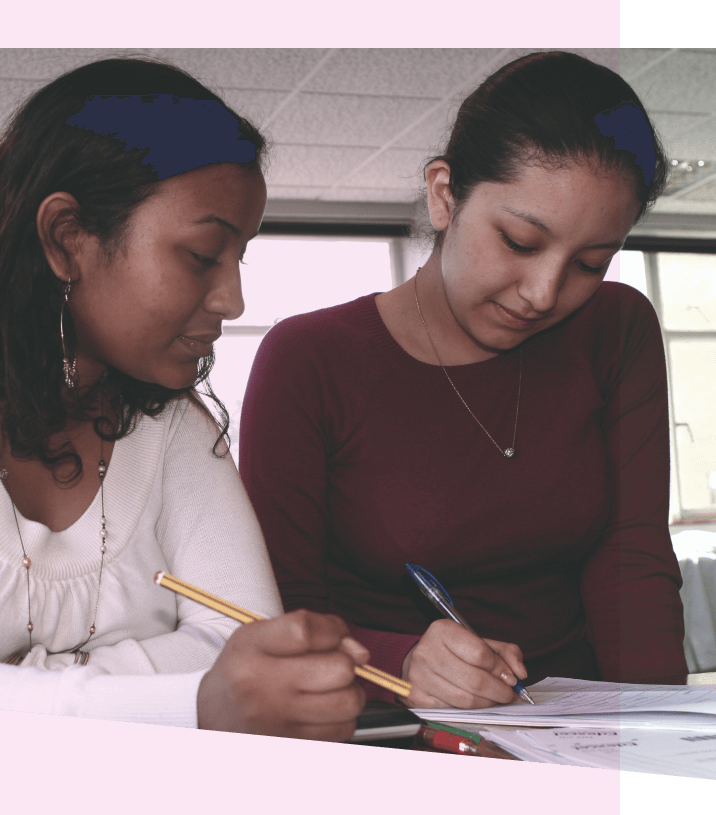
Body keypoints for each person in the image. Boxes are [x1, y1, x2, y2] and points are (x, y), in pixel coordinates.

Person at [0, 57, 369, 742]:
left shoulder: (174, 426)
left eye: (242, 259)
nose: (233, 300)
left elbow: (246, 648)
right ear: (66, 239)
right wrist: (187, 702)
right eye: (204, 255)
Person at [239, 51, 690, 711]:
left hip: (581, 726)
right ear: (444, 194)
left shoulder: (615, 328)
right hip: (389, 721)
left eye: (591, 263)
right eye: (520, 242)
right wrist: (402, 663)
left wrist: (656, 730)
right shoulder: (308, 359)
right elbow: (277, 618)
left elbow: (633, 563)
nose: (544, 294)